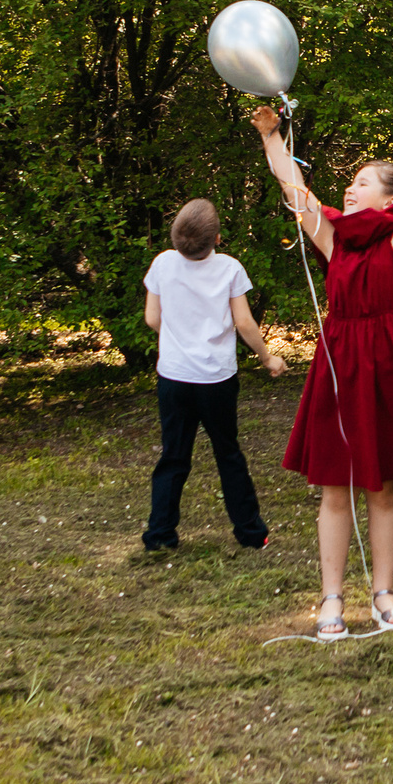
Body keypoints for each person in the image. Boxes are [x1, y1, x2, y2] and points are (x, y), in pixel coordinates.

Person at [250, 93, 393, 640]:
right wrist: (271, 136)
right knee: (335, 487)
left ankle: (383, 591)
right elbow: (295, 190)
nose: (349, 188)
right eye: (350, 182)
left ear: (389, 199)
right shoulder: (335, 241)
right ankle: (332, 597)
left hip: (384, 364)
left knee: (382, 486)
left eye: (362, 182)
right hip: (338, 360)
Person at [140, 197, 287, 554]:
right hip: (216, 381)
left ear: (176, 236)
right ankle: (251, 533)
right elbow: (244, 322)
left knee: (173, 456)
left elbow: (152, 319)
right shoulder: (230, 269)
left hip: (173, 378)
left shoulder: (162, 264)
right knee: (228, 454)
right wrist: (268, 357)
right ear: (217, 238)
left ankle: (160, 534)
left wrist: (177, 339)